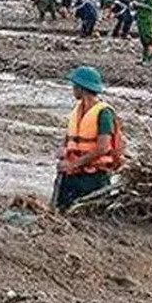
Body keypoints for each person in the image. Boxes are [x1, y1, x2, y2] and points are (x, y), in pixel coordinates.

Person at [55, 66, 123, 211]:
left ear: (82, 88)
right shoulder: (78, 110)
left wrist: (73, 165)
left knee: (88, 213)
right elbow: (69, 137)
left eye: (75, 86)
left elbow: (103, 147)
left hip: (94, 177)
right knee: (62, 209)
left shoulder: (104, 113)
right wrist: (63, 150)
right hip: (74, 173)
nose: (73, 89)